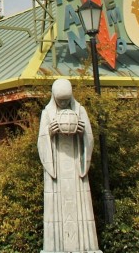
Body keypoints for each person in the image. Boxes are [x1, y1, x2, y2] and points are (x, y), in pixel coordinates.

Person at [37, 78, 98, 253]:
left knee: (80, 208)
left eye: (66, 100)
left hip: (75, 168)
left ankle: (86, 247)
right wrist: (49, 132)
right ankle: (55, 247)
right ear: (54, 97)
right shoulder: (47, 113)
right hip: (57, 170)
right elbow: (41, 142)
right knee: (56, 210)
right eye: (60, 100)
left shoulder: (80, 111)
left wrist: (82, 133)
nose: (63, 103)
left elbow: (90, 138)